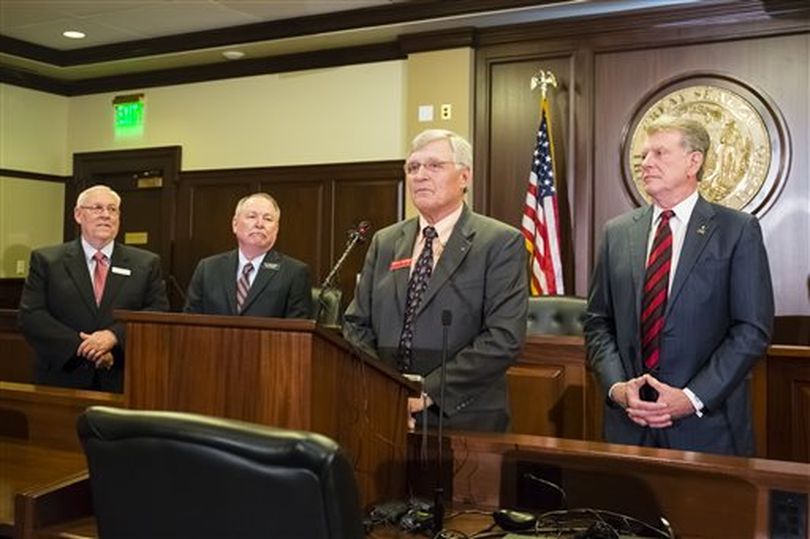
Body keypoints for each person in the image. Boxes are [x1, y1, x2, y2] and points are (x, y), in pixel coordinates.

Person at [584, 116, 774, 456]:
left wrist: (691, 397)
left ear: (693, 161)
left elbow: (751, 330)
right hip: (629, 425)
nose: (646, 163)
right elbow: (598, 322)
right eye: (643, 156)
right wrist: (616, 388)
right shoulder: (617, 232)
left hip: (707, 427)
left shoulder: (737, 230)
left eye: (659, 152)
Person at [343, 129, 528, 432]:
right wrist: (382, 388)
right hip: (381, 410)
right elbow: (355, 323)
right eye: (413, 167)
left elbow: (504, 337)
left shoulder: (500, 242)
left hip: (462, 416)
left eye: (434, 166)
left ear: (464, 177)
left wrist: (426, 392)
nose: (420, 175)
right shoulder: (386, 241)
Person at [18, 184, 169, 392]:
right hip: (63, 377)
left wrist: (114, 336)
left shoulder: (146, 263)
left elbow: (158, 312)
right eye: (97, 208)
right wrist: (86, 349)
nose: (105, 215)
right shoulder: (47, 260)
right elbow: (32, 316)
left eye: (112, 209)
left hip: (122, 378)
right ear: (78, 215)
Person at [184, 192, 312, 318]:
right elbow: (189, 323)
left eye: (268, 219)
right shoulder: (208, 268)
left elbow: (299, 334)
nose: (259, 224)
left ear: (276, 229)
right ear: (235, 224)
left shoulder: (294, 273)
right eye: (252, 217)